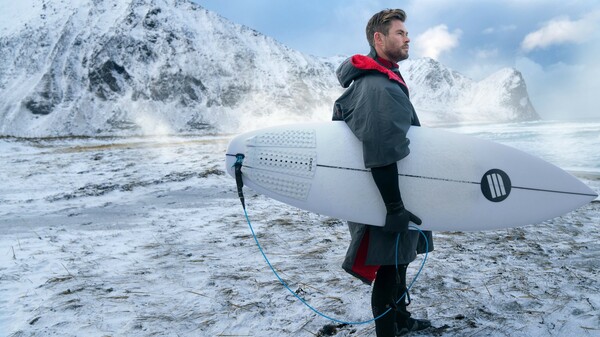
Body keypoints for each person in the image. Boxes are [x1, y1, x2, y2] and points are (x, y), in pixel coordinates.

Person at [332, 9, 434, 337]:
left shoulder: (381, 76)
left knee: (400, 258)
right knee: (389, 267)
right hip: (382, 192)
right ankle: (387, 333)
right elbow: (379, 149)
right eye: (400, 33)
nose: (408, 38)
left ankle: (401, 319)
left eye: (407, 32)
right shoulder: (375, 85)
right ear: (379, 39)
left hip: (388, 188)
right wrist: (394, 208)